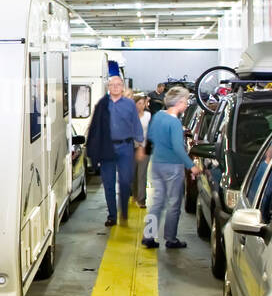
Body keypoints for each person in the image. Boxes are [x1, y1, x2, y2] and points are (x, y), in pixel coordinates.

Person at [142, 86, 198, 249]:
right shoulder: (174, 123)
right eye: (186, 101)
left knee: (157, 202)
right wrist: (191, 166)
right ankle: (171, 238)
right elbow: (178, 148)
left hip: (157, 164)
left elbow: (151, 135)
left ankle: (149, 235)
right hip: (172, 167)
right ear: (179, 102)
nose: (187, 104)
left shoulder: (159, 115)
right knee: (174, 204)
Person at [85, 75, 145, 227]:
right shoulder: (102, 105)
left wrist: (141, 144)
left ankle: (123, 210)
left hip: (125, 147)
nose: (115, 87)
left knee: (125, 181)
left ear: (123, 87)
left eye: (118, 84)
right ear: (108, 87)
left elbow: (136, 124)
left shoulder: (130, 104)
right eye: (112, 85)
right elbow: (95, 127)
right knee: (109, 183)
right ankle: (112, 215)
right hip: (107, 148)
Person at [132, 94, 151, 207]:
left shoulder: (148, 116)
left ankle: (142, 199)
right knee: (134, 174)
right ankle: (135, 194)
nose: (141, 106)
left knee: (142, 174)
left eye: (143, 103)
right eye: (138, 103)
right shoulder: (130, 116)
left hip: (145, 149)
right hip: (132, 148)